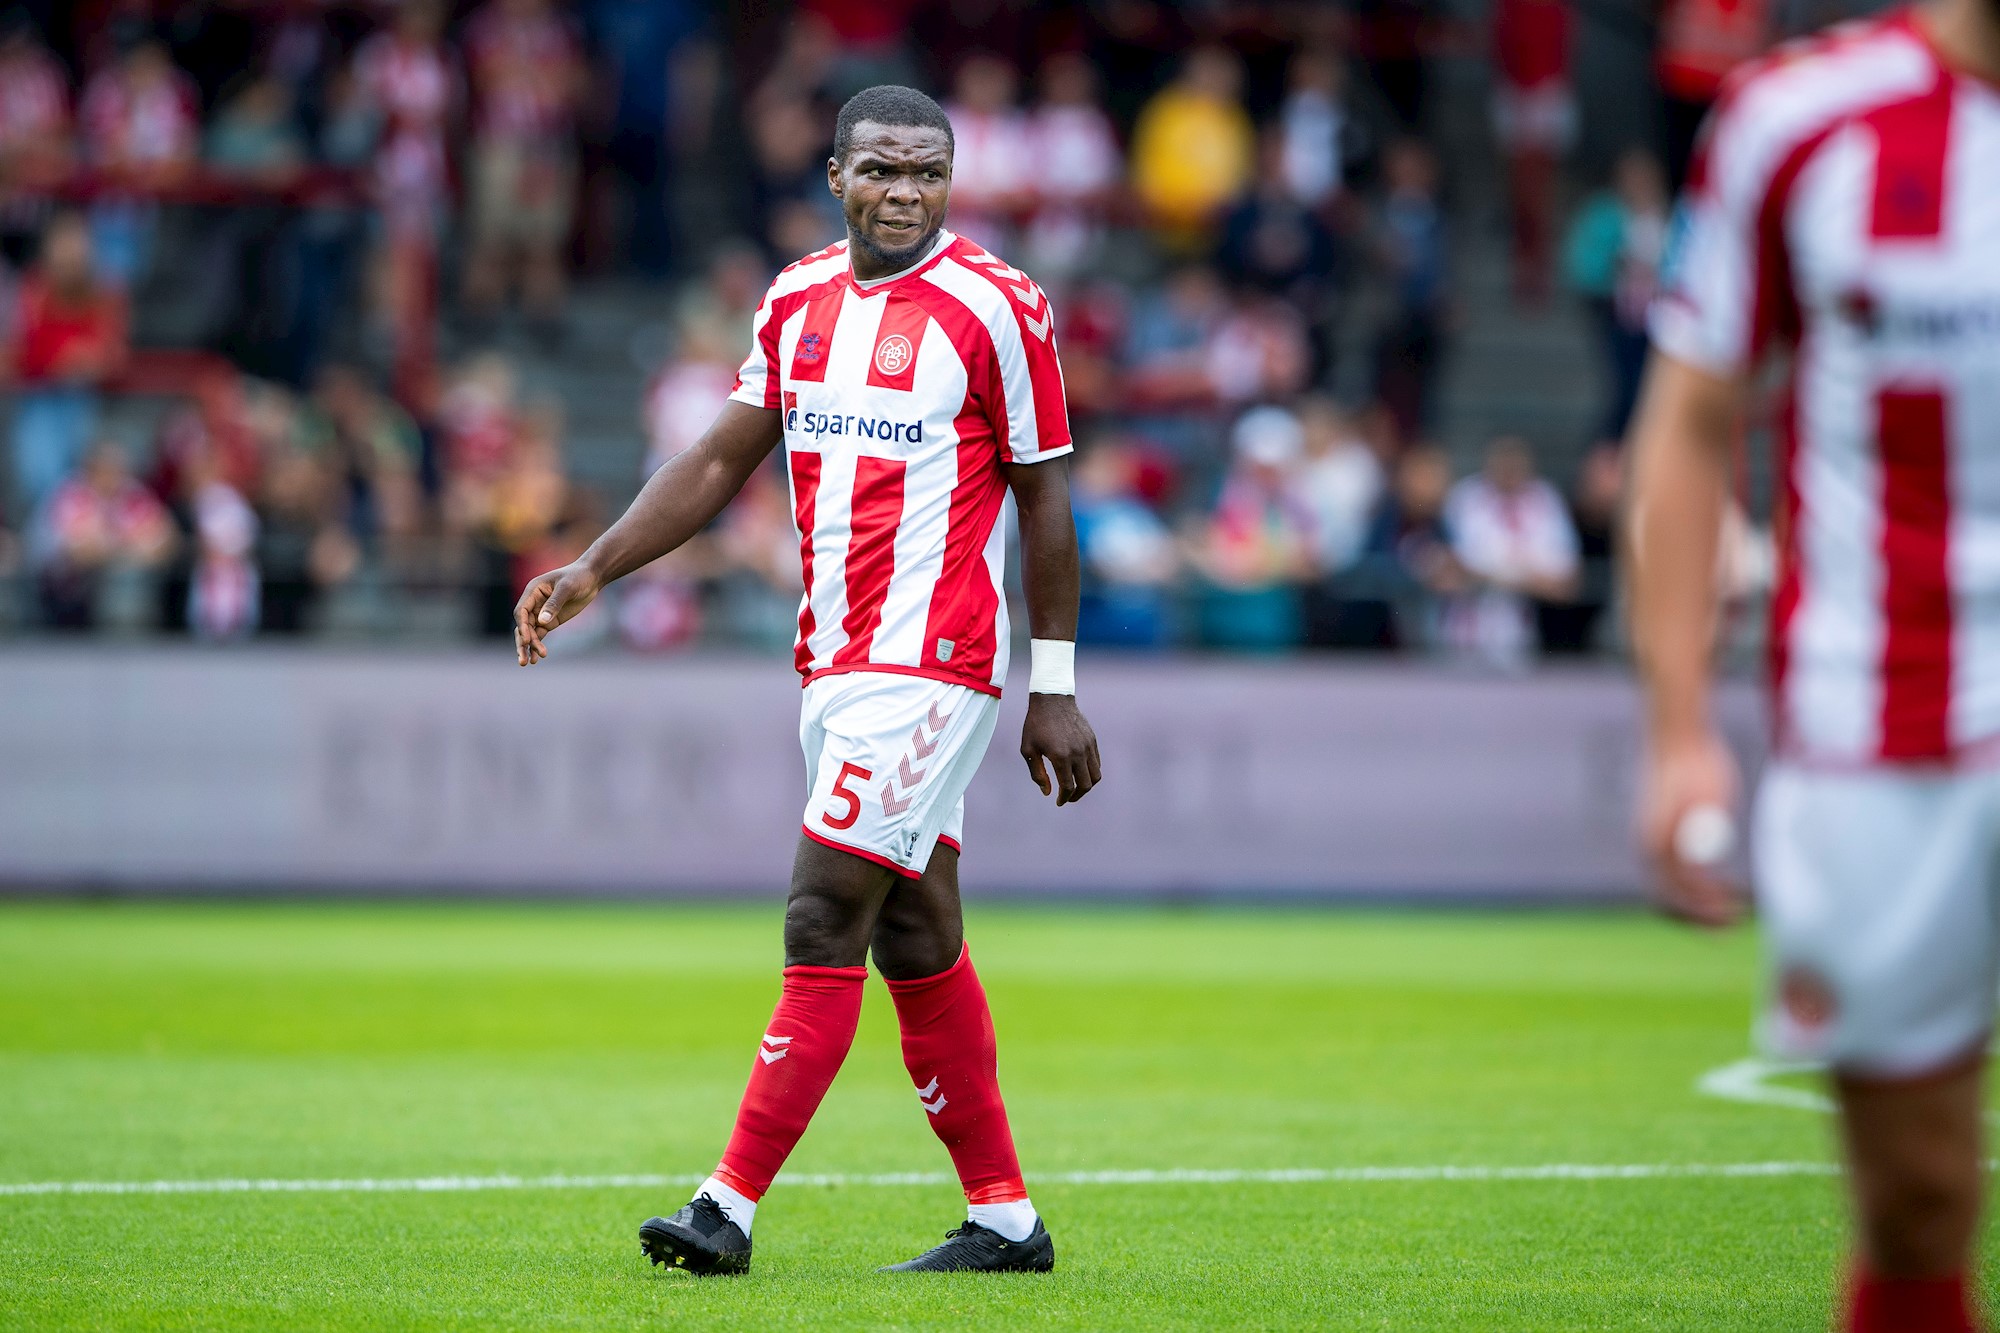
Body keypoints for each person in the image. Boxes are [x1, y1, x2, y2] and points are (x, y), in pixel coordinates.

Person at [513, 84, 1099, 1277]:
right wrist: (595, 565)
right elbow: (719, 458)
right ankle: (1004, 1221)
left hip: (933, 662)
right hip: (832, 660)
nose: (904, 191)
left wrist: (1054, 684)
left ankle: (723, 1208)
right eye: (881, 168)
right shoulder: (795, 298)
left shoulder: (999, 305)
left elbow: (1044, 495)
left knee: (821, 912)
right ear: (835, 176)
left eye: (927, 172)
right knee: (915, 935)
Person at [1626, 4, 2000, 1328]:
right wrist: (1679, 734)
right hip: (1880, 720)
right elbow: (1690, 420)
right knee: (1916, 1196)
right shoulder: (1795, 120)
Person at [6, 213, 128, 516]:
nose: (69, 257)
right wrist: (65, 357)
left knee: (86, 475)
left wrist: (88, 360)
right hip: (40, 397)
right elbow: (22, 350)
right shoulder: (34, 288)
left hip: (90, 399)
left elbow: (112, 356)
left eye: (76, 249)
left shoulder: (106, 290)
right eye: (62, 249)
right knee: (43, 479)